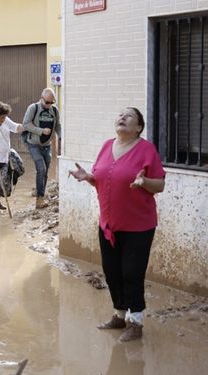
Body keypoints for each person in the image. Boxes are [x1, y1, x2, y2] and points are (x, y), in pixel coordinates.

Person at [69, 107, 165, 342]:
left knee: (131, 272)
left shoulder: (146, 150)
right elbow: (102, 180)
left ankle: (137, 321)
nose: (122, 118)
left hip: (138, 226)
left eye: (129, 116)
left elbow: (160, 185)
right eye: (120, 115)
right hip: (109, 224)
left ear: (138, 127)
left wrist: (144, 181)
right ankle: (119, 315)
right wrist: (89, 178)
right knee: (112, 272)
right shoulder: (106, 145)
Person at [22, 88, 61, 209]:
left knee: (45, 172)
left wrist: (61, 137)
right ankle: (39, 199)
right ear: (41, 98)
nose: (49, 105)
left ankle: (40, 193)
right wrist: (41, 131)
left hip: (46, 146)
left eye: (51, 102)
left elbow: (58, 125)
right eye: (47, 102)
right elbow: (26, 124)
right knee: (41, 168)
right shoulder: (33, 108)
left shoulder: (54, 110)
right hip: (34, 144)